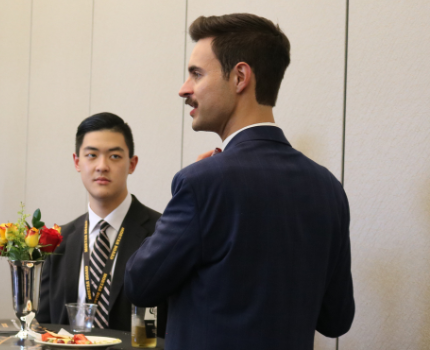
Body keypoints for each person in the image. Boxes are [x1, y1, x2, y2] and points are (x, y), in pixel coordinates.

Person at [124, 13, 354, 350]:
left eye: (196, 74)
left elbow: (140, 284)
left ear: (240, 77)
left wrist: (194, 192)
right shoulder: (330, 189)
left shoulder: (200, 184)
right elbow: (336, 320)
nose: (183, 88)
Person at [37, 112, 167, 334]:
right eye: (91, 155)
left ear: (132, 164)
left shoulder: (162, 233)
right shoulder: (59, 239)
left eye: (114, 156)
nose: (102, 166)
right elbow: (44, 326)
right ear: (77, 162)